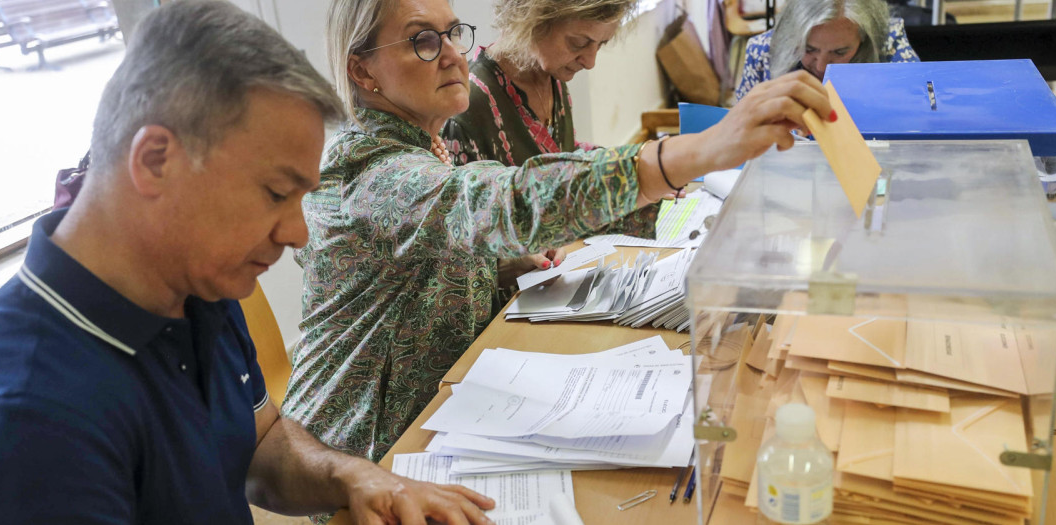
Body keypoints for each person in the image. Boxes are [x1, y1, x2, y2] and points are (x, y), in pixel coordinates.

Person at [0, 2, 496, 523]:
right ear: (153, 162)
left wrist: (355, 475)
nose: (298, 235)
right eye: (276, 193)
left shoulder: (195, 285)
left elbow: (259, 445)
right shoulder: (35, 415)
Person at [284, 0, 834, 469]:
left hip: (443, 409)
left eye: (452, 33)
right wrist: (697, 152)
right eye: (423, 42)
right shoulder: (369, 171)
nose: (452, 52)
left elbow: (428, 249)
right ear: (363, 72)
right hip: (367, 452)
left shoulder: (417, 143)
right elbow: (497, 199)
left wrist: (498, 265)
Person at [442, 0, 634, 166]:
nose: (590, 62)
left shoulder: (551, 75)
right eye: (578, 43)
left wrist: (629, 161)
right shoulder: (466, 107)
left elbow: (559, 155)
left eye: (601, 44)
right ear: (533, 19)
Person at [735, 0, 920, 101]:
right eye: (809, 49)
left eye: (839, 52)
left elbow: (919, 112)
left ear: (864, 39)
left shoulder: (888, 45)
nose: (822, 66)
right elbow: (740, 131)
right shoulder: (763, 51)